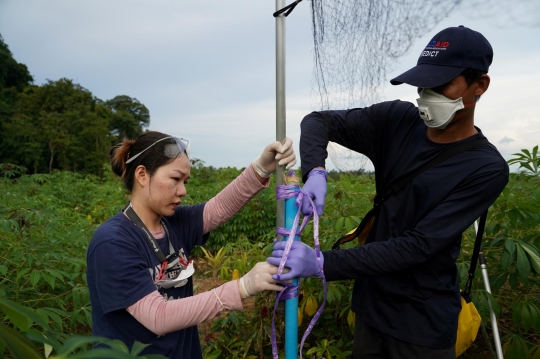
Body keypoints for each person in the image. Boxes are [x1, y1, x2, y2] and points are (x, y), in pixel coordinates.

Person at [268, 26, 509, 358]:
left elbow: (417, 246)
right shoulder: (397, 120)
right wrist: (316, 172)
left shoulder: (484, 167)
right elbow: (318, 121)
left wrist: (322, 263)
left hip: (422, 325)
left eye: (440, 85)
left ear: (479, 85)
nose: (427, 96)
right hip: (370, 308)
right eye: (423, 85)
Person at [86, 131, 296, 358]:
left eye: (185, 181)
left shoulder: (173, 223)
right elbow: (158, 317)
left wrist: (261, 168)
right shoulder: (113, 242)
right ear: (142, 175)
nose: (183, 191)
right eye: (175, 179)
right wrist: (242, 287)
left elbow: (218, 208)